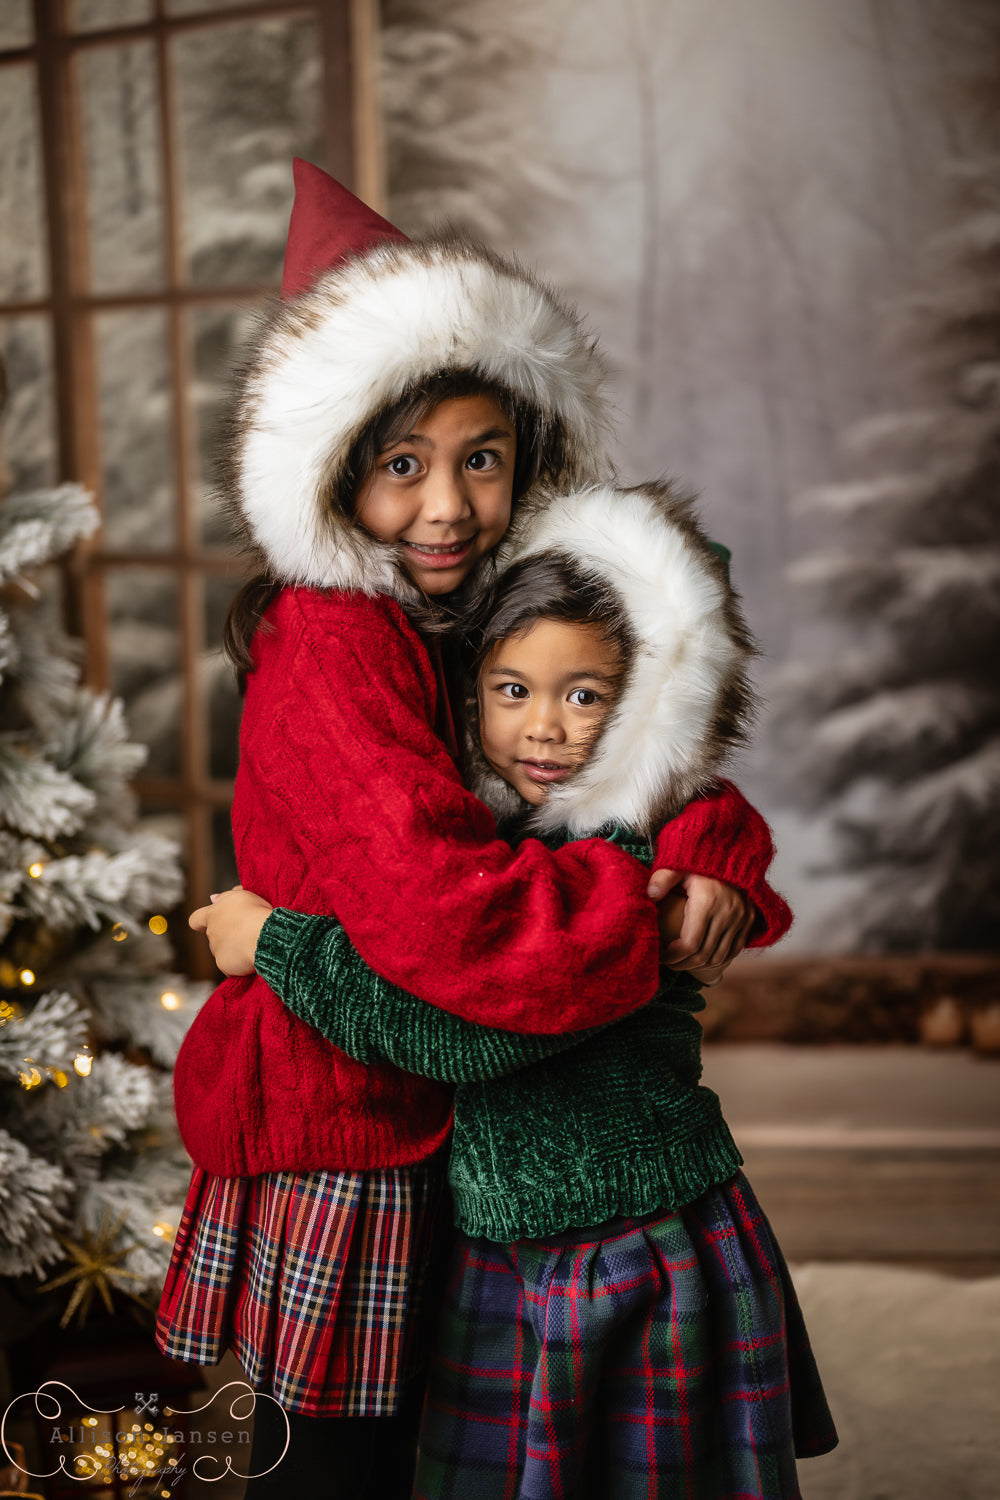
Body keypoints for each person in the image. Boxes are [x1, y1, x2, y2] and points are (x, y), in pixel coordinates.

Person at [160, 159, 791, 1499]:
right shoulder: (334, 645)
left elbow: (628, 766)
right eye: (401, 467)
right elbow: (456, 920)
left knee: (454, 1459)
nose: (447, 508)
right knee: (340, 1468)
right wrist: (646, 924)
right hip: (353, 1128)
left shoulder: (457, 618)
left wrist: (707, 844)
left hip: (441, 1111)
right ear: (326, 476)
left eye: (482, 461)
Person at [194, 481, 835, 1499]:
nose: (545, 728)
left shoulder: (619, 864)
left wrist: (272, 941)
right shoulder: (509, 831)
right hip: (516, 1246)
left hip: (629, 1244)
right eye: (511, 688)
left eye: (587, 696)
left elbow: (462, 1035)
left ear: (652, 704)